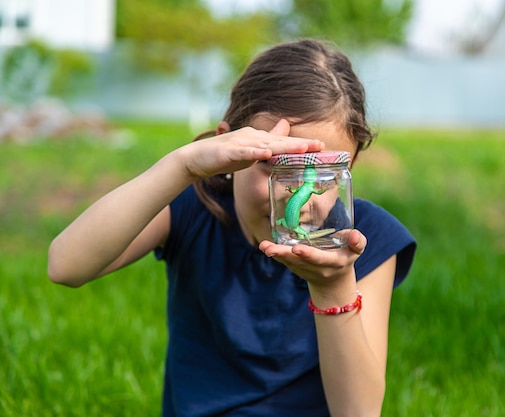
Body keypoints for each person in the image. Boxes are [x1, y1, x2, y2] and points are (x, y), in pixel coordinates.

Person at [48, 39, 416, 417]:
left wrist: (332, 288)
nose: (298, 200)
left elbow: (358, 412)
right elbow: (66, 265)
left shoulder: (363, 240)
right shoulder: (194, 206)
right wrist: (183, 166)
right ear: (229, 146)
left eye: (323, 176)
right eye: (274, 167)